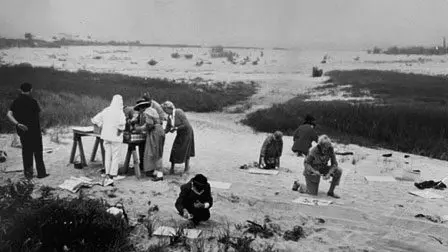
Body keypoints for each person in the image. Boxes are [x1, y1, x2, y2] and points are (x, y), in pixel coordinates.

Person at [7, 83, 49, 179]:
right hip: (34, 131)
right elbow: (39, 116)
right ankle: (41, 173)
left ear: (20, 90)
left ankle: (28, 175)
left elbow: (9, 115)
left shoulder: (16, 102)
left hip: (23, 131)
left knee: (26, 153)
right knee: (38, 153)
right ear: (31, 90)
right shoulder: (33, 101)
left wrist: (17, 124)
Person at [92, 95, 126, 186]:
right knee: (115, 156)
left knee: (107, 155)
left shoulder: (106, 110)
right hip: (115, 137)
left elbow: (94, 120)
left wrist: (101, 125)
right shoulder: (120, 112)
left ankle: (107, 173)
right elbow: (122, 124)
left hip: (106, 136)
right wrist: (120, 130)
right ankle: (113, 175)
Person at [134, 99, 165, 181]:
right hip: (159, 130)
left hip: (155, 132)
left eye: (139, 109)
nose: (139, 111)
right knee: (158, 152)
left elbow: (149, 125)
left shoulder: (147, 112)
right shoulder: (152, 110)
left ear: (142, 108)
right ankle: (156, 172)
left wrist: (139, 129)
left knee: (156, 152)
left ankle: (159, 174)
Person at [162, 101, 195, 174]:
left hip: (187, 132)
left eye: (165, 109)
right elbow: (167, 128)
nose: (164, 111)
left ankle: (186, 168)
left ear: (169, 108)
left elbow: (185, 124)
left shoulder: (179, 112)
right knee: (175, 149)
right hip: (180, 133)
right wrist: (162, 132)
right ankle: (172, 168)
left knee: (186, 149)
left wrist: (176, 128)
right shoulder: (169, 117)